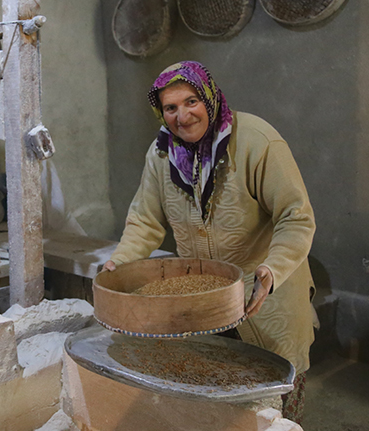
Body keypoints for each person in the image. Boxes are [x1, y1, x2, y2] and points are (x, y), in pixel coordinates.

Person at [103, 61, 316, 423]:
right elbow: (145, 219)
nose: (182, 116)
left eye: (190, 102)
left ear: (209, 97)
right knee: (214, 393)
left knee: (275, 395)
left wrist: (272, 269)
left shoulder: (256, 142)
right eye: (170, 107)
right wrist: (118, 262)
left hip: (266, 290)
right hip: (204, 299)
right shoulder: (161, 154)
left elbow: (295, 216)